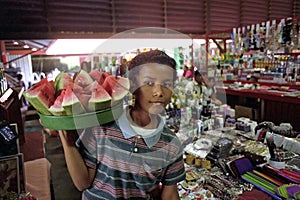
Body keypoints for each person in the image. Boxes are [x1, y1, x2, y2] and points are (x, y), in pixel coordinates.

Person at [57, 50, 186, 200]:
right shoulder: (102, 127)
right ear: (132, 87)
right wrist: (67, 139)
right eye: (149, 83)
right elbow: (82, 183)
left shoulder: (172, 144)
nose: (159, 92)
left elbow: (170, 194)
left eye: (166, 84)